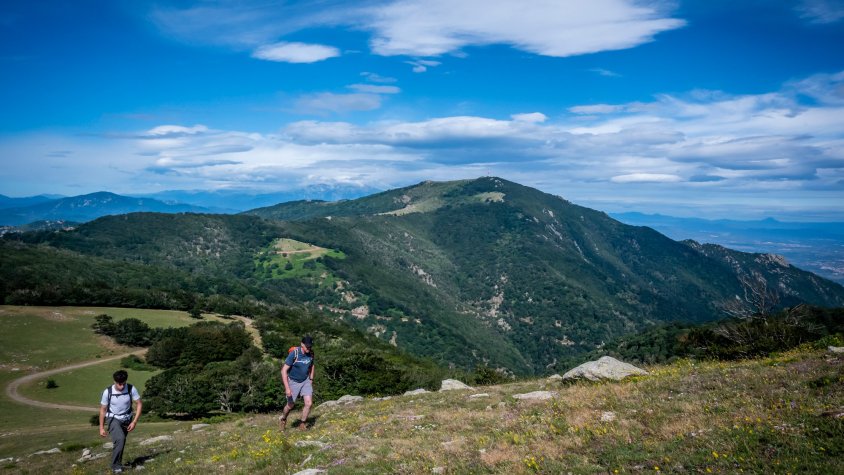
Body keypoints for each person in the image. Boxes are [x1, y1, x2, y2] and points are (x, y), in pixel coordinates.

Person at [99, 370, 142, 473]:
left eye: (123, 383)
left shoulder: (131, 388)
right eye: (119, 384)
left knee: (120, 442)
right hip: (113, 418)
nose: (122, 386)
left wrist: (134, 422)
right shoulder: (108, 392)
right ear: (114, 381)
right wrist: (101, 427)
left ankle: (118, 464)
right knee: (120, 439)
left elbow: (139, 404)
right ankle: (115, 466)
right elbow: (103, 409)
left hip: (127, 419)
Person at [279, 335, 315, 431]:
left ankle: (302, 424)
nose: (309, 348)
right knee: (290, 405)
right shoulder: (294, 354)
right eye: (307, 346)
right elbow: (283, 371)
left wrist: (311, 379)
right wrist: (287, 388)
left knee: (309, 403)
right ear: (301, 344)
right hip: (293, 381)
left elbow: (312, 365)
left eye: (310, 346)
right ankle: (283, 419)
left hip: (305, 380)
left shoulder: (311, 353)